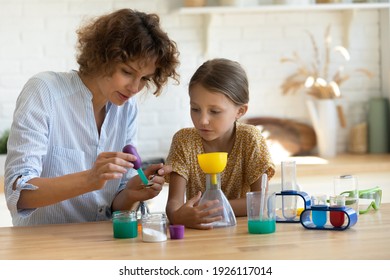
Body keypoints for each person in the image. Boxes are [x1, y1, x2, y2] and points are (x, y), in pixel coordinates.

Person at [4, 9, 180, 226]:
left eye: (144, 78)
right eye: (127, 72)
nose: (135, 87)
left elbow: (114, 205)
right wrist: (89, 179)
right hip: (44, 245)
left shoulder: (126, 108)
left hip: (100, 241)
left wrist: (133, 192)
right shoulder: (44, 91)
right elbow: (19, 193)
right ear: (102, 57)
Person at [165, 58, 275, 230]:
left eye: (214, 111)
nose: (203, 120)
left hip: (242, 234)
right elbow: (173, 206)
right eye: (195, 109)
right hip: (197, 237)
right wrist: (178, 216)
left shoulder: (250, 139)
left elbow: (260, 201)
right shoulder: (184, 141)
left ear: (240, 111)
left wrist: (205, 210)